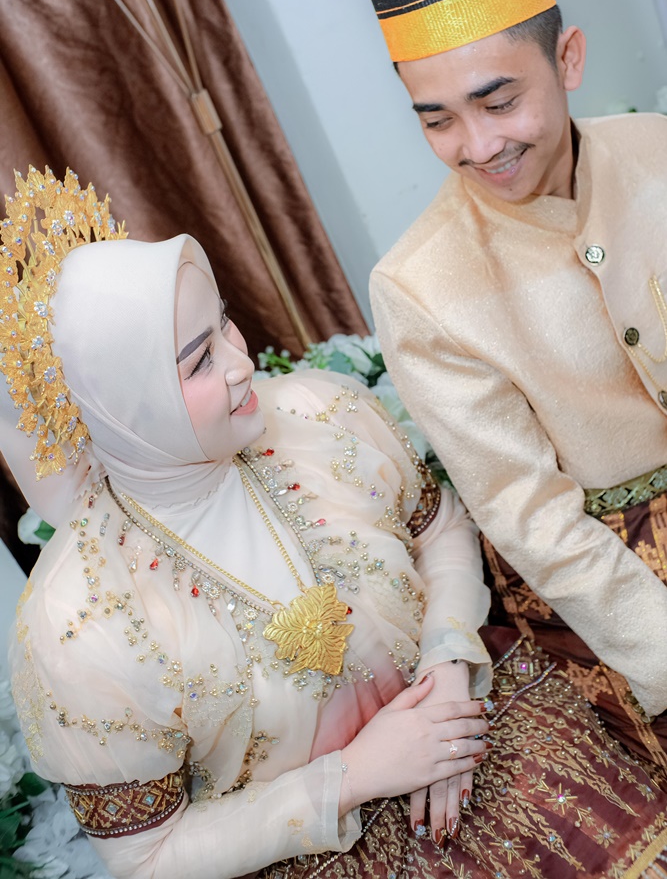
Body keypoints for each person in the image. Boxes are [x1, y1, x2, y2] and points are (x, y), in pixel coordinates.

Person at [2, 167, 666, 879]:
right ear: (121, 407)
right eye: (197, 362)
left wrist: (447, 666)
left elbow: (439, 529)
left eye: (222, 322)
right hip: (319, 854)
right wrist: (351, 777)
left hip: (480, 722)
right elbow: (145, 857)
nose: (240, 362)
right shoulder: (79, 622)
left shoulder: (320, 413)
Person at [367, 0, 667, 772]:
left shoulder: (655, 146)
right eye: (437, 121)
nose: (477, 146)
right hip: (610, 569)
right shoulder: (418, 285)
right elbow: (529, 515)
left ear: (567, 59)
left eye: (498, 103)